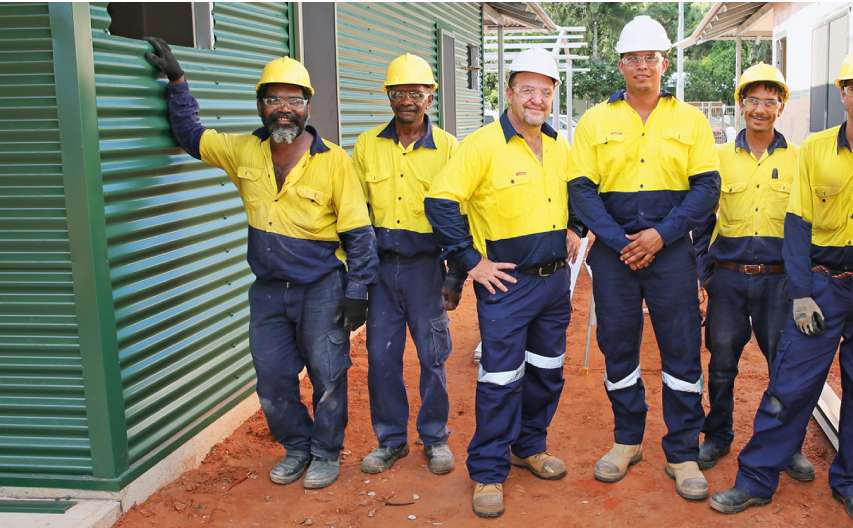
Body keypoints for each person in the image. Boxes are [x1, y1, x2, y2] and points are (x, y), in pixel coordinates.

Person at [709, 48, 853, 525]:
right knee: (790, 386)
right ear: (842, 94)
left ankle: (852, 483)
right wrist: (800, 292)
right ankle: (755, 479)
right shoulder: (813, 151)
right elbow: (796, 228)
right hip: (822, 288)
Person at [144, 39, 377, 489]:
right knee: (272, 378)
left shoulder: (335, 163)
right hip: (269, 290)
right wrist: (178, 82)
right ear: (260, 105)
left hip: (321, 286)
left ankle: (326, 452)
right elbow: (191, 135)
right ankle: (296, 447)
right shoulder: (242, 151)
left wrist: (356, 294)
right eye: (274, 99)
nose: (284, 109)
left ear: (309, 106)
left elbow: (359, 235)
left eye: (294, 99)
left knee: (328, 375)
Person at [567, 15, 720, 501]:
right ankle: (627, 440)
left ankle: (682, 452)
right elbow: (582, 192)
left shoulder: (689, 121)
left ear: (664, 62)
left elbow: (706, 189)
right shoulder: (595, 121)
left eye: (650, 57)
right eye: (632, 58)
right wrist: (618, 242)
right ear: (620, 64)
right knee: (618, 346)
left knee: (680, 350)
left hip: (671, 254)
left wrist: (660, 235)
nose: (642, 66)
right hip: (614, 257)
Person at [425, 47, 583, 518]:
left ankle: (529, 447)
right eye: (528, 89)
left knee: (547, 372)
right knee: (499, 379)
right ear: (510, 92)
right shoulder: (482, 145)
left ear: (553, 96)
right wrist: (472, 262)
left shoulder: (559, 147)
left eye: (545, 90)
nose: (536, 99)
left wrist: (576, 227)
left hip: (555, 284)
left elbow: (575, 193)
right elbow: (440, 202)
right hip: (507, 287)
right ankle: (489, 470)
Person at [692, 63, 813, 482]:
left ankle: (786, 444)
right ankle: (718, 434)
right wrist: (701, 272)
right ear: (740, 105)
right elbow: (703, 220)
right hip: (727, 277)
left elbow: (807, 223)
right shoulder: (718, 157)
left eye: (770, 101)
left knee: (784, 365)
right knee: (722, 360)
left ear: (781, 106)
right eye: (753, 100)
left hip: (780, 281)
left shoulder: (800, 160)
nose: (761, 109)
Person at [351, 53, 465, 477]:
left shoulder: (450, 148)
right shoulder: (367, 146)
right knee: (381, 359)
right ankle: (391, 440)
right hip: (381, 270)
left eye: (416, 92)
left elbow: (461, 214)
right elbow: (355, 212)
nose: (407, 100)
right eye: (399, 92)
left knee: (433, 356)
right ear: (389, 97)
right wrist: (358, 277)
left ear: (430, 96)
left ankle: (434, 437)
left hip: (426, 269)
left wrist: (455, 275)